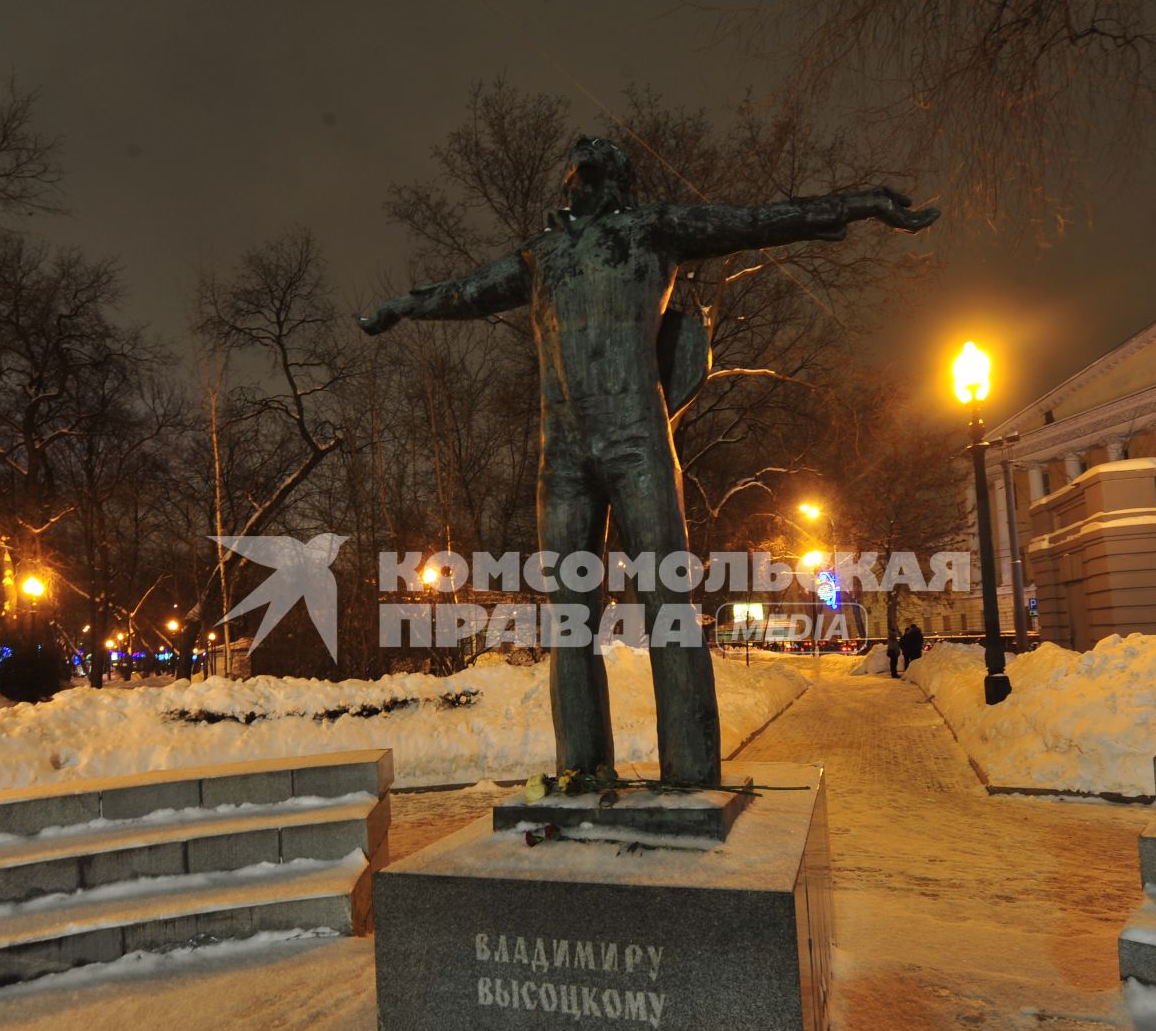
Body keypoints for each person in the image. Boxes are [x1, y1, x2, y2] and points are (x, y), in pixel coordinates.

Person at [360, 136, 938, 785]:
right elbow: (465, 292)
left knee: (668, 600)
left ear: (614, 181)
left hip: (637, 441)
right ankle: (581, 766)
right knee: (569, 617)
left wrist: (855, 205)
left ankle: (690, 770)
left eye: (585, 174)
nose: (572, 186)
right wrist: (406, 305)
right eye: (569, 176)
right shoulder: (541, 255)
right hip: (566, 457)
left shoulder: (650, 231)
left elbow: (751, 220)